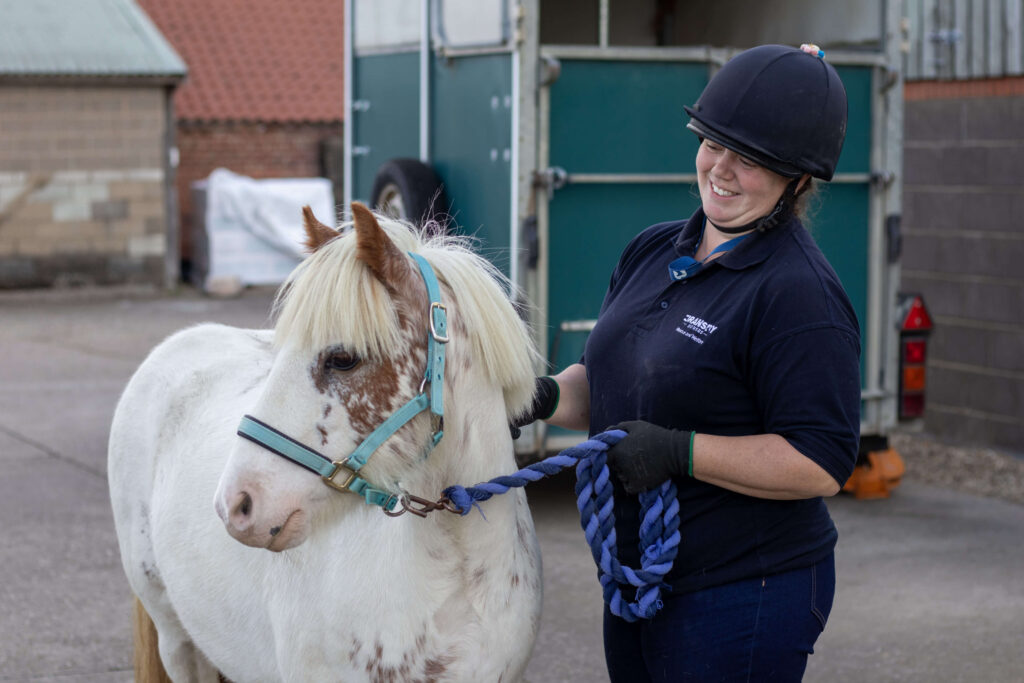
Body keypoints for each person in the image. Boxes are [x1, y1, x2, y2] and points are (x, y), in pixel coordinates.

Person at [518, 44, 860, 681]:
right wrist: (534, 397)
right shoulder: (652, 249)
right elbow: (606, 388)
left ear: (798, 179)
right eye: (713, 143)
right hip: (638, 578)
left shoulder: (798, 291)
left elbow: (821, 462)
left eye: (752, 159)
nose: (722, 169)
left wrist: (682, 452)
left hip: (744, 590)